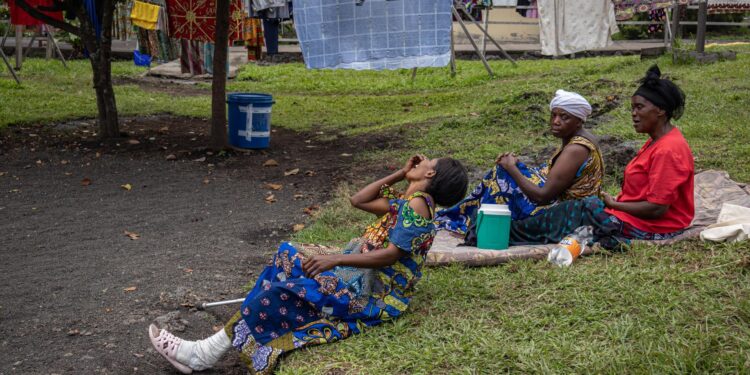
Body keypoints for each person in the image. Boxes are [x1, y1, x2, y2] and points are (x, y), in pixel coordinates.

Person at [148, 155, 469, 374]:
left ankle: (203, 354)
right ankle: (206, 352)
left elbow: (391, 255)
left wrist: (336, 258)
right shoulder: (407, 202)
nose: (422, 159)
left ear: (430, 174)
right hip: (357, 278)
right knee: (286, 259)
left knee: (286, 288)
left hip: (374, 296)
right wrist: (400, 173)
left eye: (429, 161)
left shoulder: (418, 205)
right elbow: (358, 200)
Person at [510, 65, 693, 249]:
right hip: (634, 218)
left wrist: (615, 205)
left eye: (639, 107)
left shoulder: (668, 149)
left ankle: (508, 232)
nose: (633, 114)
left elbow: (657, 209)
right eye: (632, 108)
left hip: (654, 227)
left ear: (661, 110)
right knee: (577, 209)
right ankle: (513, 229)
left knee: (574, 213)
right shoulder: (656, 142)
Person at [435, 89, 604, 240]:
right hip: (568, 206)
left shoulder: (575, 149)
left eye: (564, 117)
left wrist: (512, 168)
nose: (556, 121)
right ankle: (469, 217)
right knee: (504, 174)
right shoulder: (578, 140)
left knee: (501, 175)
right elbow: (554, 176)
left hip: (566, 214)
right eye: (554, 115)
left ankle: (473, 222)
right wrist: (518, 167)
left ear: (579, 121)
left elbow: (541, 196)